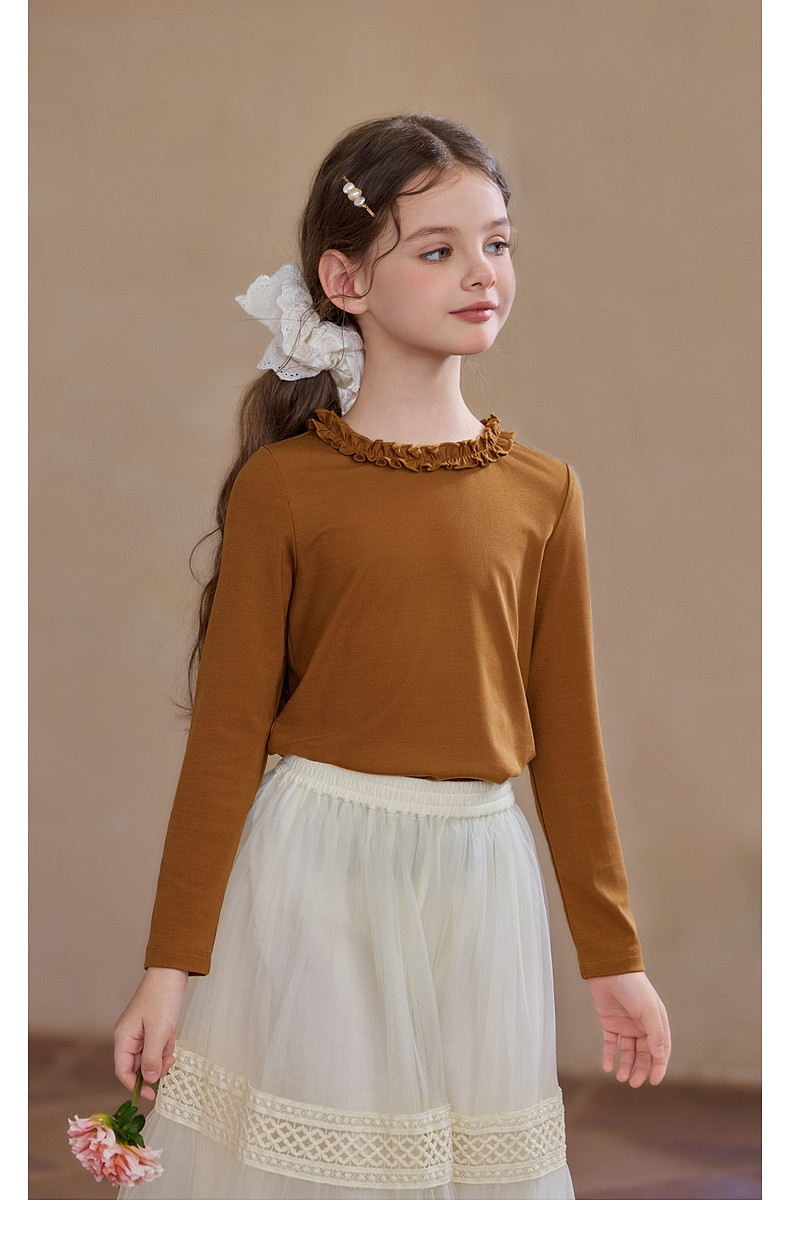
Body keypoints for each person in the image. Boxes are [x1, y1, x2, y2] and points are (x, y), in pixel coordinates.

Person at [114, 113, 671, 1201]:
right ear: (345, 280)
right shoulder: (284, 489)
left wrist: (614, 959)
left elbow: (570, 744)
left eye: (497, 243)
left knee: (457, 1190)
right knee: (324, 1184)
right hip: (315, 869)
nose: (481, 272)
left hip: (479, 879)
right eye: (439, 249)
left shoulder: (544, 493)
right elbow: (226, 742)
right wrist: (168, 969)